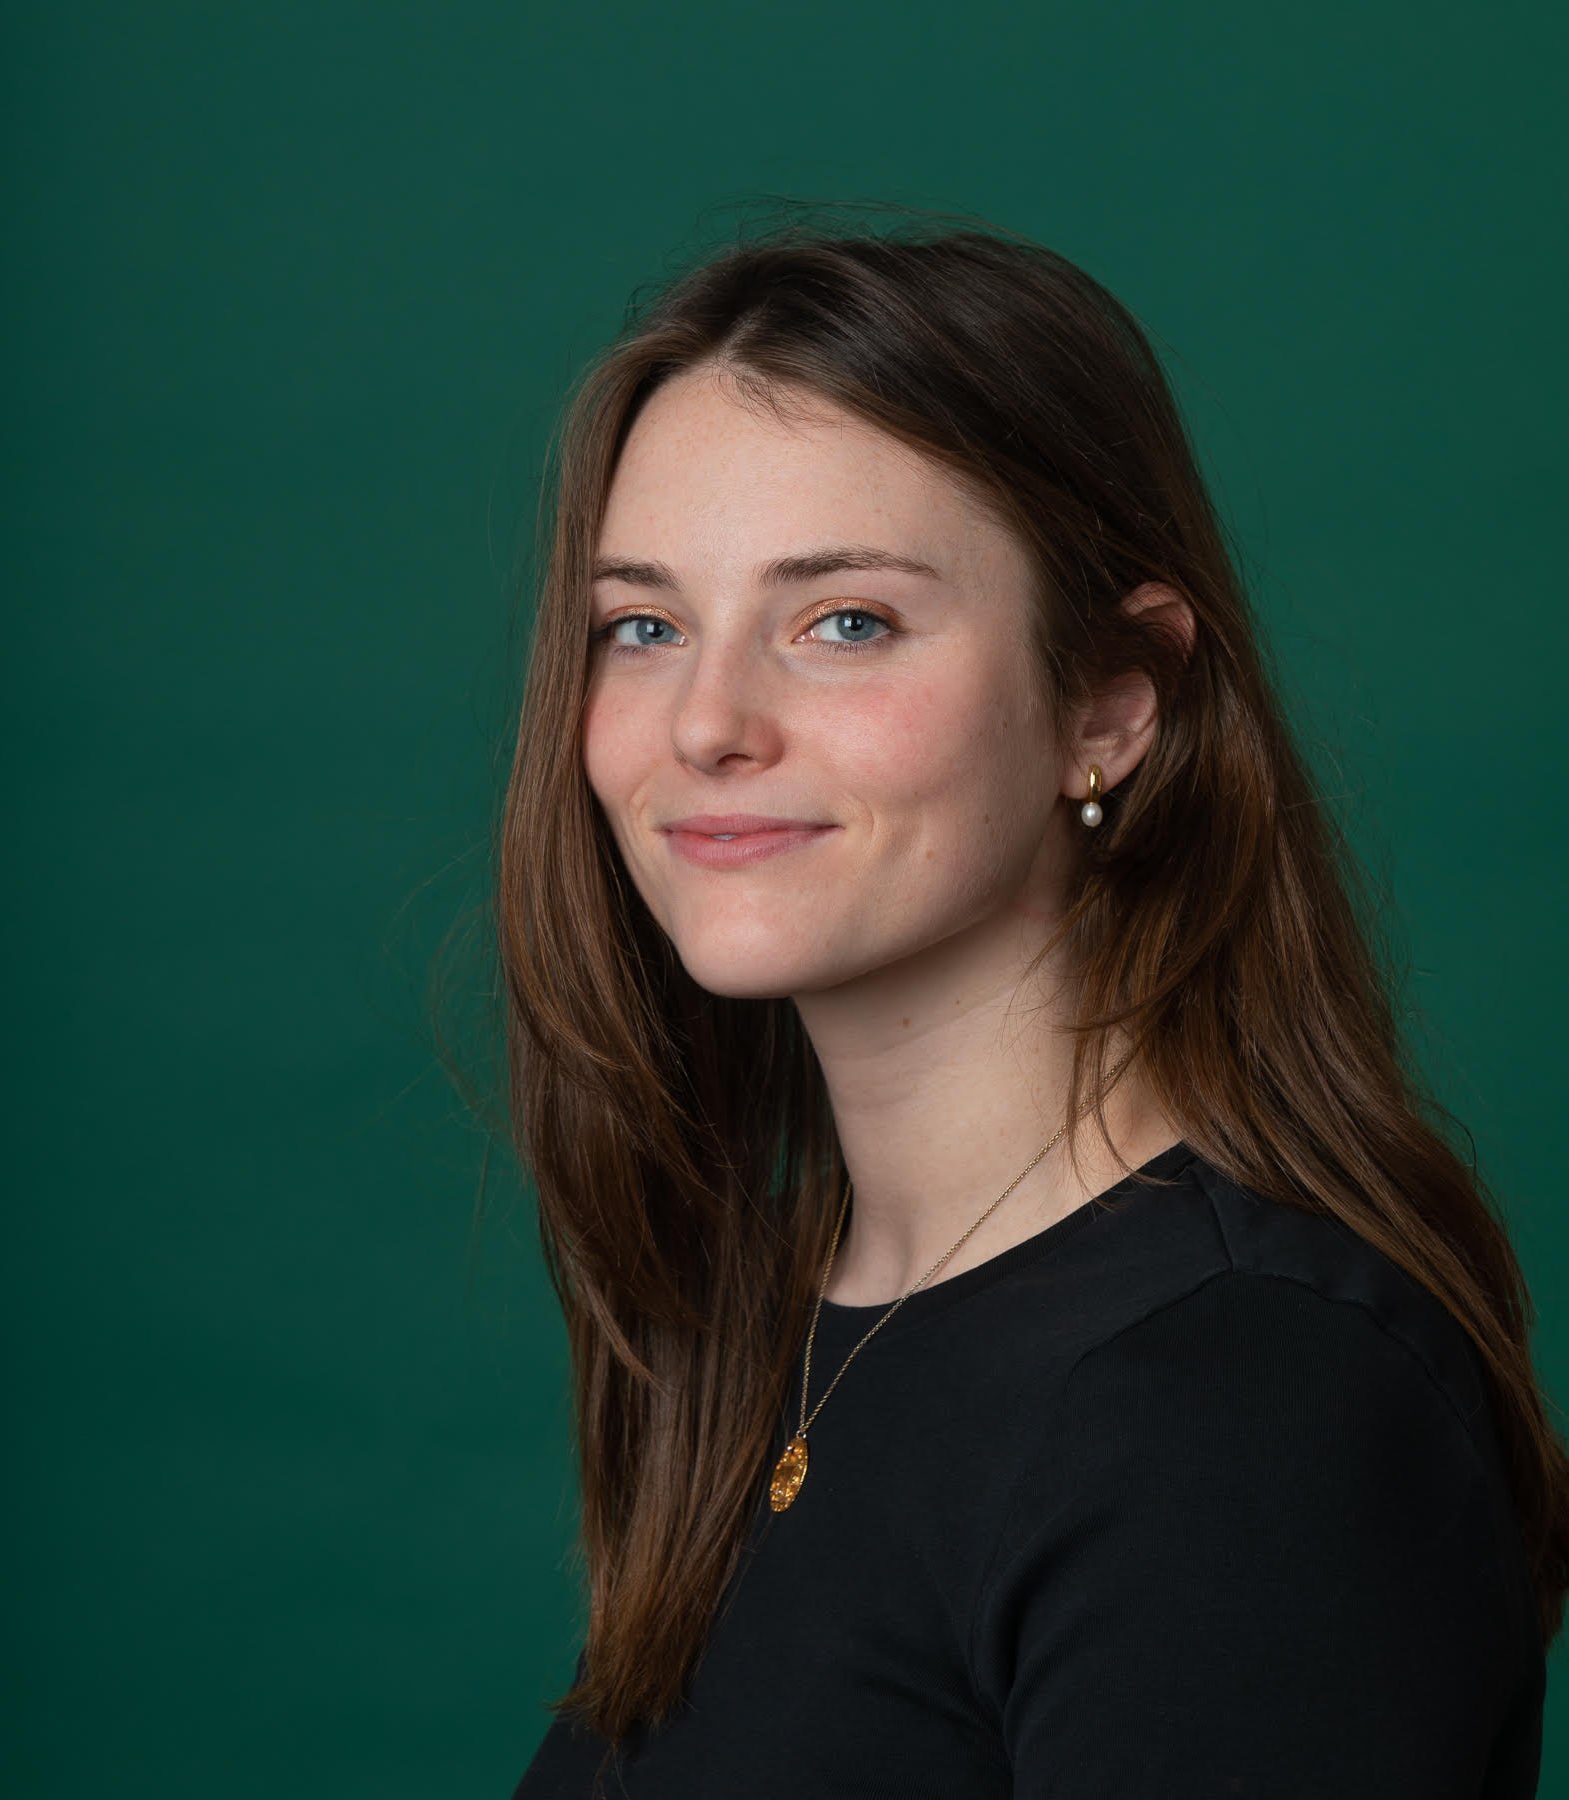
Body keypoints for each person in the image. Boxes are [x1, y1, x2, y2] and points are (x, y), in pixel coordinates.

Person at [484, 209, 1563, 1796]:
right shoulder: (770, 1326)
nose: (706, 722)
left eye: (844, 621)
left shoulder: (1237, 1401)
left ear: (1110, 703)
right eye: (642, 626)